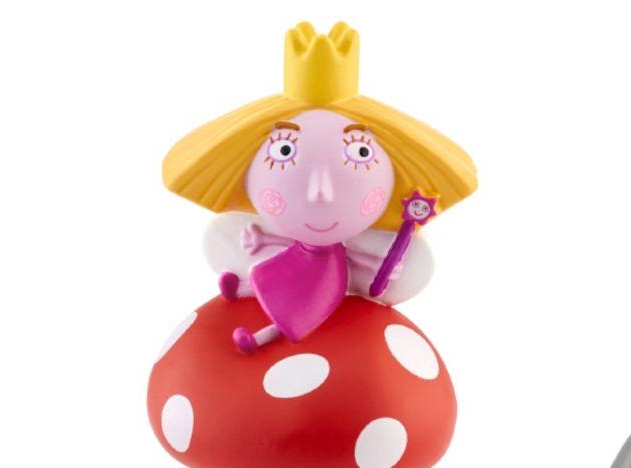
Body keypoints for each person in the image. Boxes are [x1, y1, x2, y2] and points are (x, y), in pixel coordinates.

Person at [162, 20, 478, 353]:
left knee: (301, 307)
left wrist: (380, 265)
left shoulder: (349, 250)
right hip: (296, 262)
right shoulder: (258, 224)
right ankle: (243, 289)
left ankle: (259, 335)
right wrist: (262, 240)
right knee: (278, 284)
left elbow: (355, 257)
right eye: (284, 151)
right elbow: (284, 241)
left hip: (329, 277)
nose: (320, 193)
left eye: (360, 153)